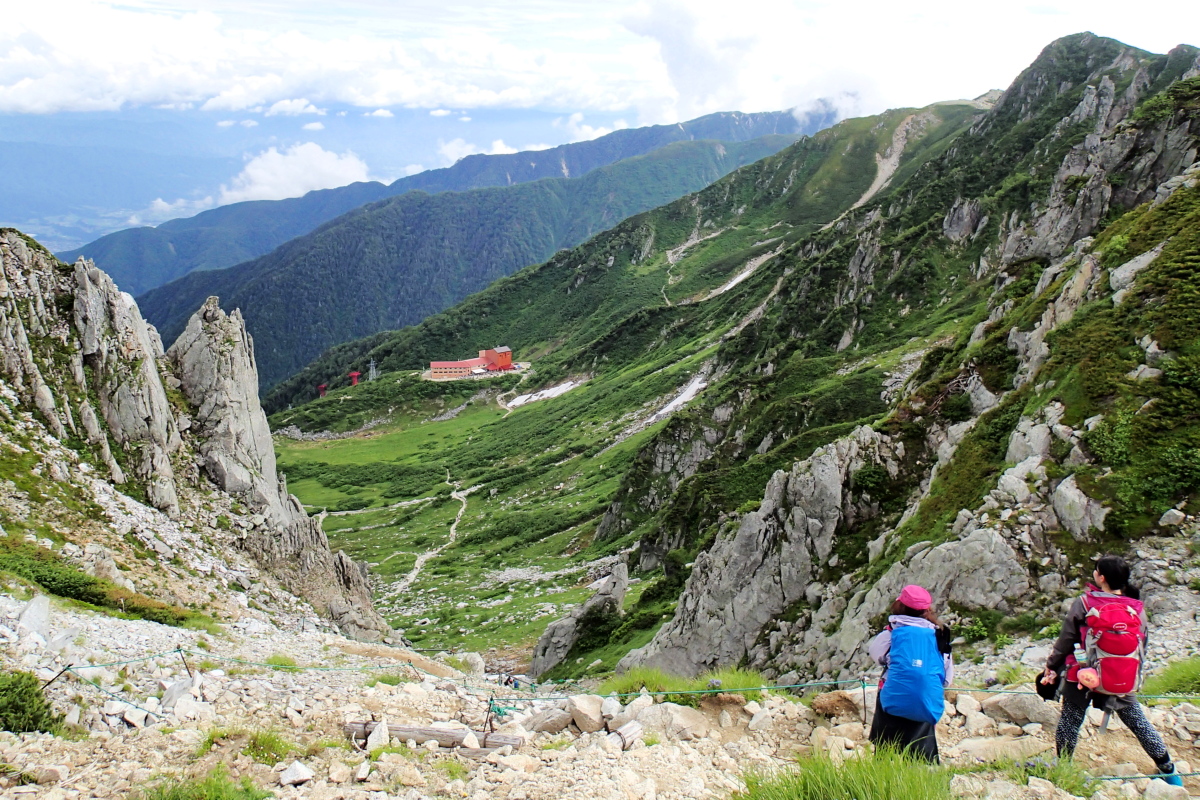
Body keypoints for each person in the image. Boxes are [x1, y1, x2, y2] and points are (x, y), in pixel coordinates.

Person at [1041, 555, 1183, 787]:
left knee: (1071, 718)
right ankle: (1170, 773)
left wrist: (1052, 664)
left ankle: (1063, 768)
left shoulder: (1085, 603)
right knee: (1137, 721)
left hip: (1084, 674)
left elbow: (1067, 637)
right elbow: (1142, 645)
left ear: (1102, 577)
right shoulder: (1136, 607)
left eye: (1096, 570)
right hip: (1121, 675)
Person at [867, 584, 953, 763]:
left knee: (885, 747)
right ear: (927, 610)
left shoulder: (892, 632)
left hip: (892, 698)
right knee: (922, 752)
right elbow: (947, 678)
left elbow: (876, 655)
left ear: (900, 605)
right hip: (925, 701)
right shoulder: (939, 636)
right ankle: (923, 778)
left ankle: (882, 774)